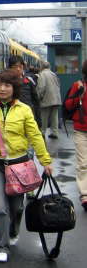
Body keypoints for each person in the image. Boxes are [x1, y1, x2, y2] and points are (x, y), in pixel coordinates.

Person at [0, 70, 53, 263]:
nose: (2, 89)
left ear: (14, 89)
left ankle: (13, 230)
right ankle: (1, 246)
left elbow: (35, 136)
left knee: (17, 207)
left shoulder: (24, 110)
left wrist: (45, 160)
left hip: (18, 165)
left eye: (7, 85)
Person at [62, 60, 87, 211]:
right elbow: (68, 105)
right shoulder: (78, 86)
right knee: (83, 163)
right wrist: (79, 95)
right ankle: (85, 195)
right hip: (81, 130)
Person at [8, 55, 41, 128]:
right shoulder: (6, 83)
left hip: (28, 116)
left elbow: (36, 101)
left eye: (20, 67)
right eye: (15, 67)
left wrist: (38, 121)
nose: (18, 69)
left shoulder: (28, 81)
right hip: (12, 118)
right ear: (10, 68)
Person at [36, 61, 61, 139]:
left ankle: (43, 132)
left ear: (41, 66)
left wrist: (39, 97)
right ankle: (55, 132)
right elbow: (58, 84)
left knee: (44, 116)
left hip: (47, 98)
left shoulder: (42, 74)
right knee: (54, 116)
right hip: (56, 98)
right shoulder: (53, 74)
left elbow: (41, 87)